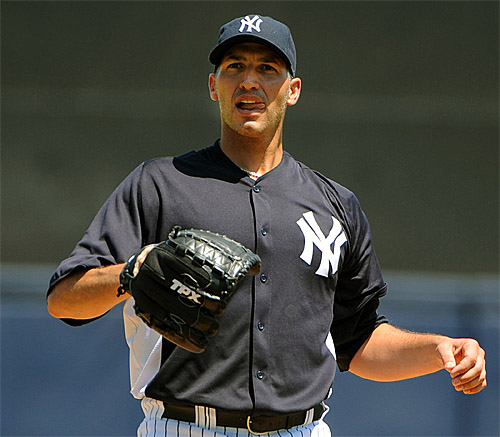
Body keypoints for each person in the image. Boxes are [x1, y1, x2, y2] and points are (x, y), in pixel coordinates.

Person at [47, 14, 487, 437]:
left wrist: (438, 349)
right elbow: (64, 299)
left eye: (267, 68)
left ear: (292, 89)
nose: (249, 80)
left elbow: (359, 341)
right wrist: (132, 273)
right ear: (213, 87)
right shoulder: (160, 184)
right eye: (234, 66)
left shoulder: (335, 205)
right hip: (184, 427)